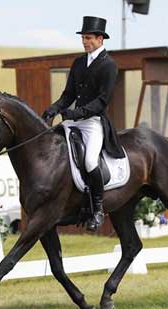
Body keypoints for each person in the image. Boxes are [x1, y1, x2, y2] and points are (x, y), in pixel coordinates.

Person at [42, 16, 125, 231]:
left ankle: (97, 209)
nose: (84, 42)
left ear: (100, 39)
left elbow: (102, 101)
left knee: (89, 162)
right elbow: (68, 93)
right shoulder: (79, 62)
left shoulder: (109, 65)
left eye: (88, 38)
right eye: (83, 38)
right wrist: (55, 108)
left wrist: (76, 113)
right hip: (73, 121)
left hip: (92, 123)